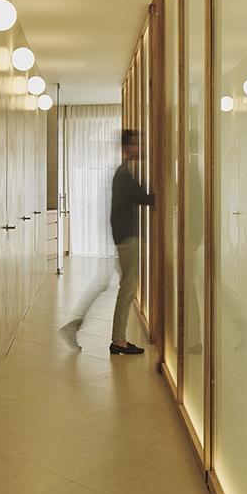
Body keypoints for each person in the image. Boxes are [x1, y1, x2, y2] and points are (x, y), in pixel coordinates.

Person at [59, 127, 154, 355]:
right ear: (126, 147)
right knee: (126, 289)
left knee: (110, 286)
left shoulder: (125, 172)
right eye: (136, 144)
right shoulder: (124, 174)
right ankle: (117, 340)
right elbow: (147, 198)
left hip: (122, 237)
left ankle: (79, 326)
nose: (140, 148)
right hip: (126, 238)